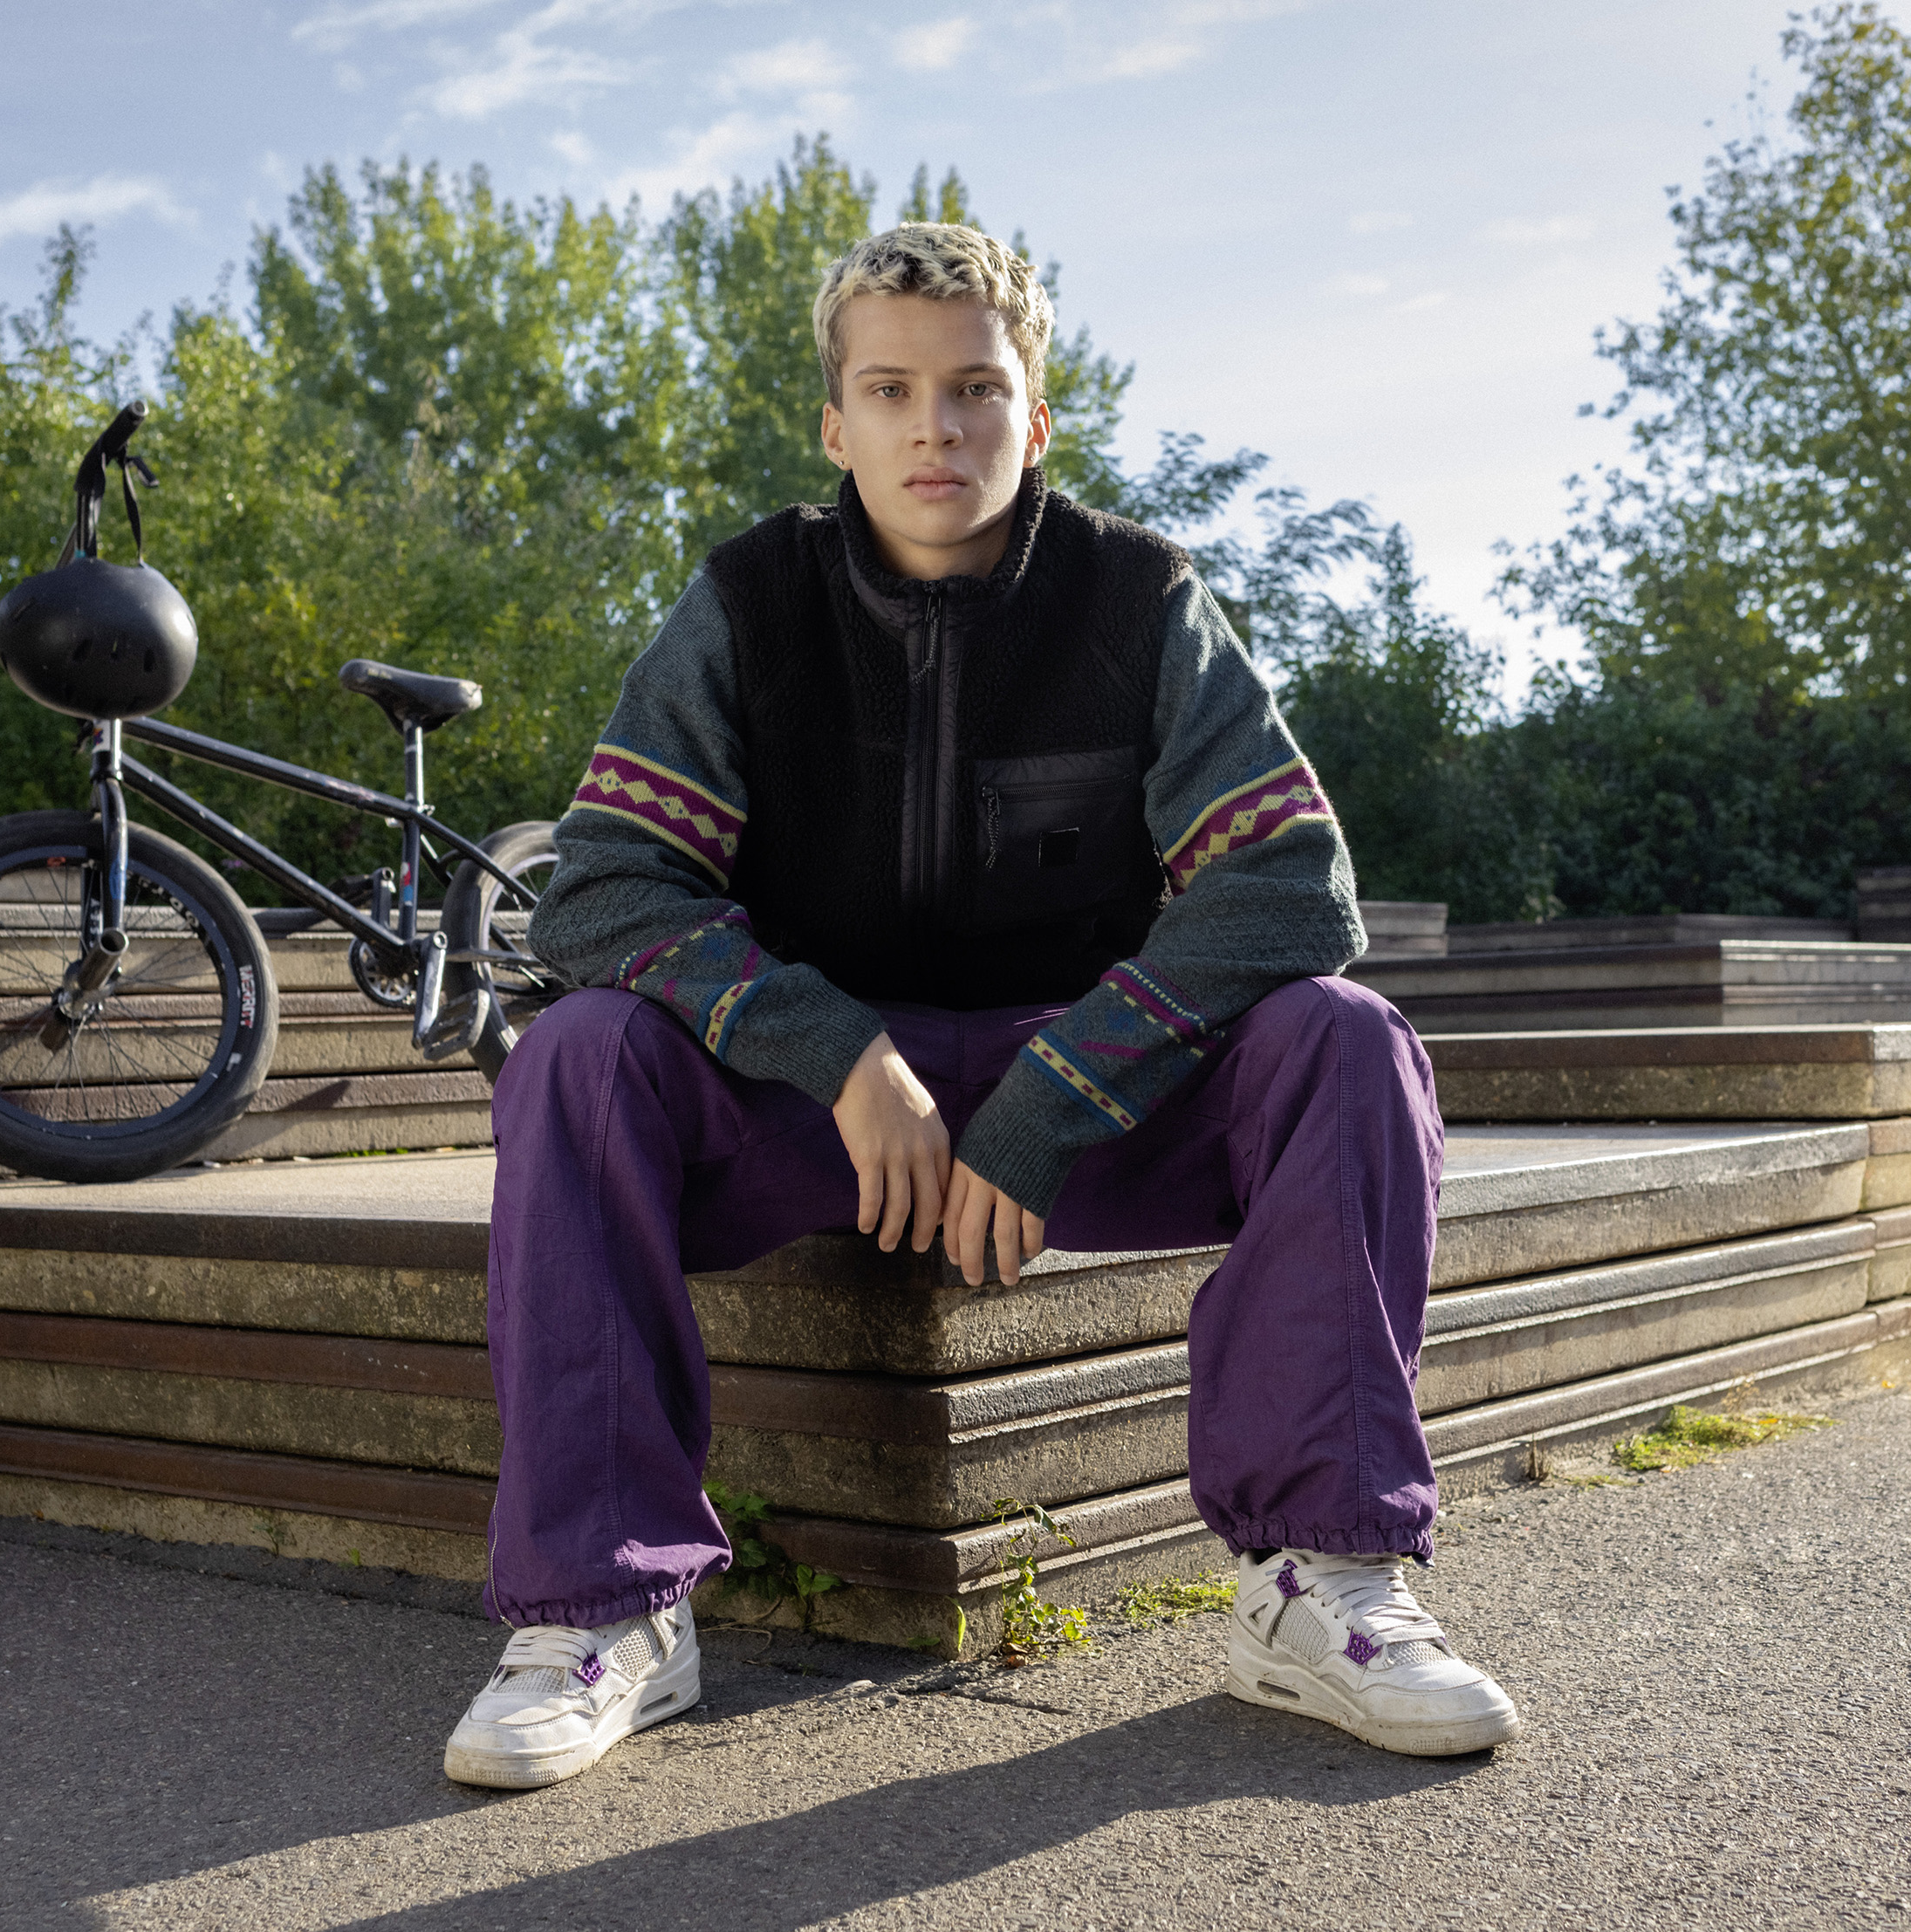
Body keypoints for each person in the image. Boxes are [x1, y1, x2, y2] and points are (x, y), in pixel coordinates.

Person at [441, 222, 1519, 1792]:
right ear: (835, 423)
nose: (933, 430)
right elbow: (604, 888)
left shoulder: (1141, 598)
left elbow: (1293, 888)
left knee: (1346, 1037)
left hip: (1089, 1096)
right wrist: (842, 1054)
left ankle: (1321, 1584)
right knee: (575, 1054)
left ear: (1036, 414)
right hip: (814, 1111)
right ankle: (605, 1610)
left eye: (973, 390)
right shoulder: (747, 604)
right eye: (888, 389)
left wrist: (1049, 1103)